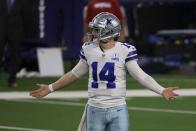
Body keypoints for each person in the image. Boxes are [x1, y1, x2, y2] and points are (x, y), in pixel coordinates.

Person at [30, 12, 178, 131]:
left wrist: (161, 90)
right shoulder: (89, 49)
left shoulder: (125, 50)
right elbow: (74, 74)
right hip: (95, 108)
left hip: (118, 108)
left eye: (97, 30)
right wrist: (50, 88)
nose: (93, 32)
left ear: (108, 32)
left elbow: (141, 76)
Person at [0, 0, 36, 87]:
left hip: (16, 32)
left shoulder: (22, 1)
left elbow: (27, 16)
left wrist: (27, 33)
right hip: (1, 31)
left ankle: (12, 80)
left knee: (15, 56)